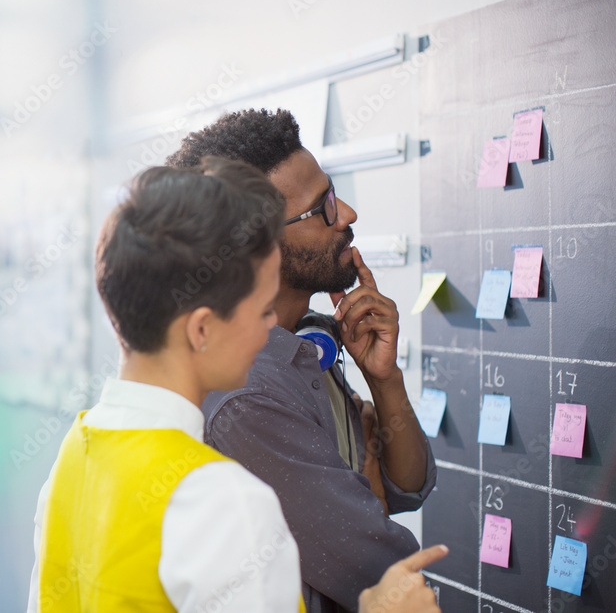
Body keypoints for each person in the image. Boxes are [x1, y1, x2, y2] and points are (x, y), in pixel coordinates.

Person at [26, 158, 445, 612]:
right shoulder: (226, 501)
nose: (273, 327)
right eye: (262, 309)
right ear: (202, 330)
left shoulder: (71, 460)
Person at [167, 109, 437, 613]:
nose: (348, 215)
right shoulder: (248, 397)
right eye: (324, 209)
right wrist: (370, 486)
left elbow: (411, 487)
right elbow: (384, 572)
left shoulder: (312, 342)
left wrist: (384, 379)